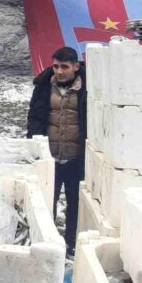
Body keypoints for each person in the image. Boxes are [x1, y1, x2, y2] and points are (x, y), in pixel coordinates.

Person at [27, 47, 87, 256]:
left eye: (64, 67)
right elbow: (34, 116)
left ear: (76, 66)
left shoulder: (87, 88)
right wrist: (34, 144)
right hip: (50, 158)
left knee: (75, 204)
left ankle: (71, 243)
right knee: (46, 202)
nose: (59, 71)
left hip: (76, 158)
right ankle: (48, 243)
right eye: (55, 66)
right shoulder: (44, 87)